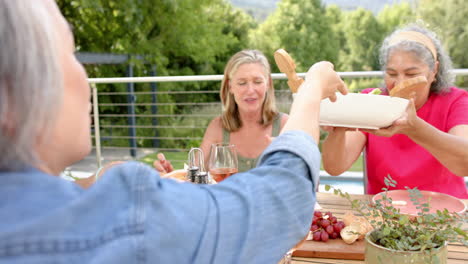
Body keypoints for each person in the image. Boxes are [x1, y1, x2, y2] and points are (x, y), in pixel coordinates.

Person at [0, 1, 347, 263]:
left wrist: (93, 182)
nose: (86, 77)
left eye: (257, 81)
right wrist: (312, 90)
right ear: (14, 92)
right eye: (71, 54)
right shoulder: (127, 211)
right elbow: (282, 202)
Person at [321, 23, 468, 199]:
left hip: (445, 213)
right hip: (384, 214)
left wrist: (416, 129)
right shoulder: (371, 100)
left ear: (433, 70)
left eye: (411, 74)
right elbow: (335, 167)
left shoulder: (456, 101)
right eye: (391, 74)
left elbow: (464, 163)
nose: (399, 83)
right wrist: (339, 125)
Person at [155, 50, 288, 174]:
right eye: (242, 83)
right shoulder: (218, 127)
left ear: (268, 84)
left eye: (257, 82)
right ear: (230, 87)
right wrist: (172, 176)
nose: (250, 90)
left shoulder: (286, 126)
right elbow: (193, 176)